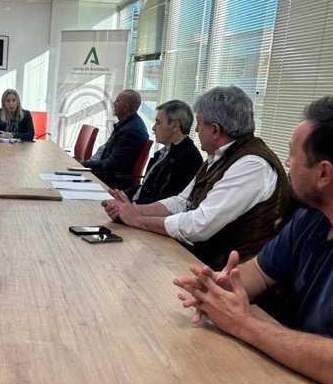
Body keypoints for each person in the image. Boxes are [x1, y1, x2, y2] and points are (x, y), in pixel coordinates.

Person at [174, 96, 333, 384]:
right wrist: (223, 289)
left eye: (293, 156)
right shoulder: (312, 216)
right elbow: (261, 272)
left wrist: (243, 324)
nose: (287, 163)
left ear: (324, 174)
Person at [103, 86, 291, 270]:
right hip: (200, 261)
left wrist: (137, 220)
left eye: (199, 125)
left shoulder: (252, 165)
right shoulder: (219, 156)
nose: (196, 131)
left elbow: (199, 225)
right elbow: (182, 201)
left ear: (215, 130)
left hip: (226, 277)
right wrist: (133, 210)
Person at [125, 99, 202, 203]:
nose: (153, 128)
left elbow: (165, 202)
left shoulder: (188, 159)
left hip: (146, 214)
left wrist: (129, 205)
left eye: (158, 122)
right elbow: (145, 188)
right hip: (138, 207)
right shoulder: (164, 152)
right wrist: (122, 195)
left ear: (175, 126)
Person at [77, 89, 148, 188]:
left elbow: (111, 164)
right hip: (105, 175)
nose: (114, 103)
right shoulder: (127, 124)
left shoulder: (131, 131)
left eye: (117, 101)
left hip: (110, 182)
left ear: (125, 107)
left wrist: (84, 165)